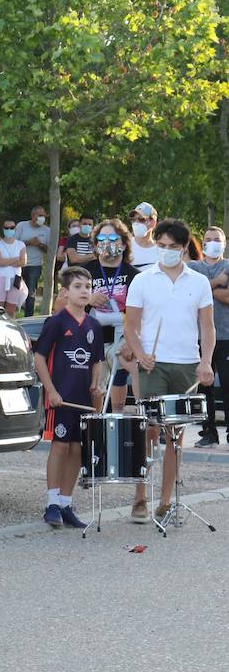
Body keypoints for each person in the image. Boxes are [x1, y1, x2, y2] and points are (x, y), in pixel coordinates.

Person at [124, 219, 215, 524]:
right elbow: (131, 326)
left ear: (184, 248)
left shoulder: (199, 282)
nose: (166, 252)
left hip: (187, 364)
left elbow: (207, 326)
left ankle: (165, 500)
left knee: (174, 435)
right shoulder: (142, 280)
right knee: (148, 430)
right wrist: (140, 355)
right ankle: (139, 497)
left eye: (172, 247)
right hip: (154, 363)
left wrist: (205, 361)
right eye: (161, 246)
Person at [33, 266, 103, 530]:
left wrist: (96, 383)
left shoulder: (94, 325)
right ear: (65, 291)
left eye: (88, 286)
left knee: (77, 448)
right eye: (78, 286)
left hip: (82, 399)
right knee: (60, 446)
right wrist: (50, 390)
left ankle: (65, 502)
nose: (84, 291)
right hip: (61, 397)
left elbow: (97, 360)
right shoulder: (57, 322)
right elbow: (39, 357)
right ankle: (51, 502)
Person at [81, 219, 139, 414]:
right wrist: (88, 298)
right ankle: (96, 425)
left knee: (124, 371)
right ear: (96, 244)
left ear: (123, 243)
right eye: (101, 238)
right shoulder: (86, 271)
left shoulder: (134, 275)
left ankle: (118, 418)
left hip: (121, 336)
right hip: (93, 338)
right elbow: (64, 302)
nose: (107, 242)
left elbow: (142, 313)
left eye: (112, 238)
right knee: (95, 387)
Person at [190, 226, 229, 447]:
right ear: (202, 243)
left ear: (224, 243)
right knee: (204, 388)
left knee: (228, 386)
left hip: (226, 336)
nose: (213, 243)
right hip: (199, 337)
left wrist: (204, 288)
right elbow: (190, 293)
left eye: (217, 239)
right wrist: (217, 284)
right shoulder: (193, 266)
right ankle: (209, 433)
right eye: (209, 239)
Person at [0, 218, 29, 318]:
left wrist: (7, 261)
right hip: (0, 278)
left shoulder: (21, 244)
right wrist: (15, 259)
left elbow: (23, 262)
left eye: (11, 227)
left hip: (15, 279)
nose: (9, 229)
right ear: (3, 229)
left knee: (11, 310)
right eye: (6, 227)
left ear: (15, 229)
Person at [14, 206, 50, 316]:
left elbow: (49, 249)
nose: (42, 218)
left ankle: (28, 317)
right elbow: (13, 243)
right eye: (40, 215)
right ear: (33, 216)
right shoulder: (22, 226)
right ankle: (12, 316)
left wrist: (39, 244)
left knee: (31, 294)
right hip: (18, 264)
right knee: (14, 291)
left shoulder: (47, 230)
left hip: (35, 265)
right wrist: (28, 242)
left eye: (44, 216)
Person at [128, 202, 161, 269]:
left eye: (141, 219)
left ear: (153, 223)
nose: (136, 223)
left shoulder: (161, 250)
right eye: (133, 219)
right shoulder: (126, 246)